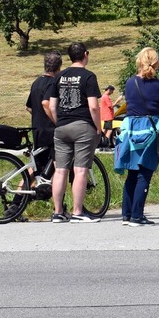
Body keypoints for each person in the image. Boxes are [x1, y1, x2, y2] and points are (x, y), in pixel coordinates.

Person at [48, 42, 102, 222]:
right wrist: (98, 128)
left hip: (62, 126)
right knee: (80, 170)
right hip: (82, 125)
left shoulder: (59, 76)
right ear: (86, 54)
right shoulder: (88, 76)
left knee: (61, 170)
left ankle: (58, 212)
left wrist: (59, 122)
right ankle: (77, 212)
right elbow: (94, 107)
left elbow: (52, 105)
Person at [116, 47, 159, 225]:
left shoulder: (130, 82)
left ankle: (126, 214)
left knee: (132, 173)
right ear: (156, 63)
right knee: (144, 173)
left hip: (131, 129)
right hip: (150, 129)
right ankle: (137, 216)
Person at [24, 51, 61, 188]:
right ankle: (59, 205)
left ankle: (17, 201)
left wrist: (39, 117)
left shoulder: (36, 82)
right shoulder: (53, 83)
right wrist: (56, 121)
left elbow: (29, 107)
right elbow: (46, 104)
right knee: (60, 168)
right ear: (59, 67)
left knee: (35, 168)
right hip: (50, 132)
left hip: (38, 130)